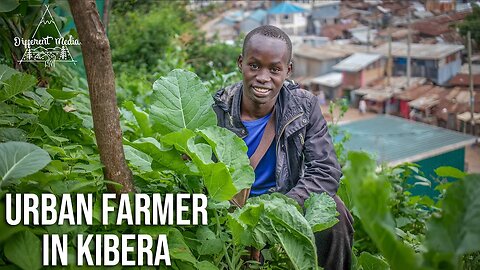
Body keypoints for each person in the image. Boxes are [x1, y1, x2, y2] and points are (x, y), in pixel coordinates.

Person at [212, 25, 353, 270]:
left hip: (287, 202)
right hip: (233, 213)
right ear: (241, 63)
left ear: (288, 70)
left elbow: (326, 171)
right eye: (254, 66)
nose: (263, 77)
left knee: (336, 211)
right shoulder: (219, 110)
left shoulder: (304, 107)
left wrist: (281, 207)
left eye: (274, 69)